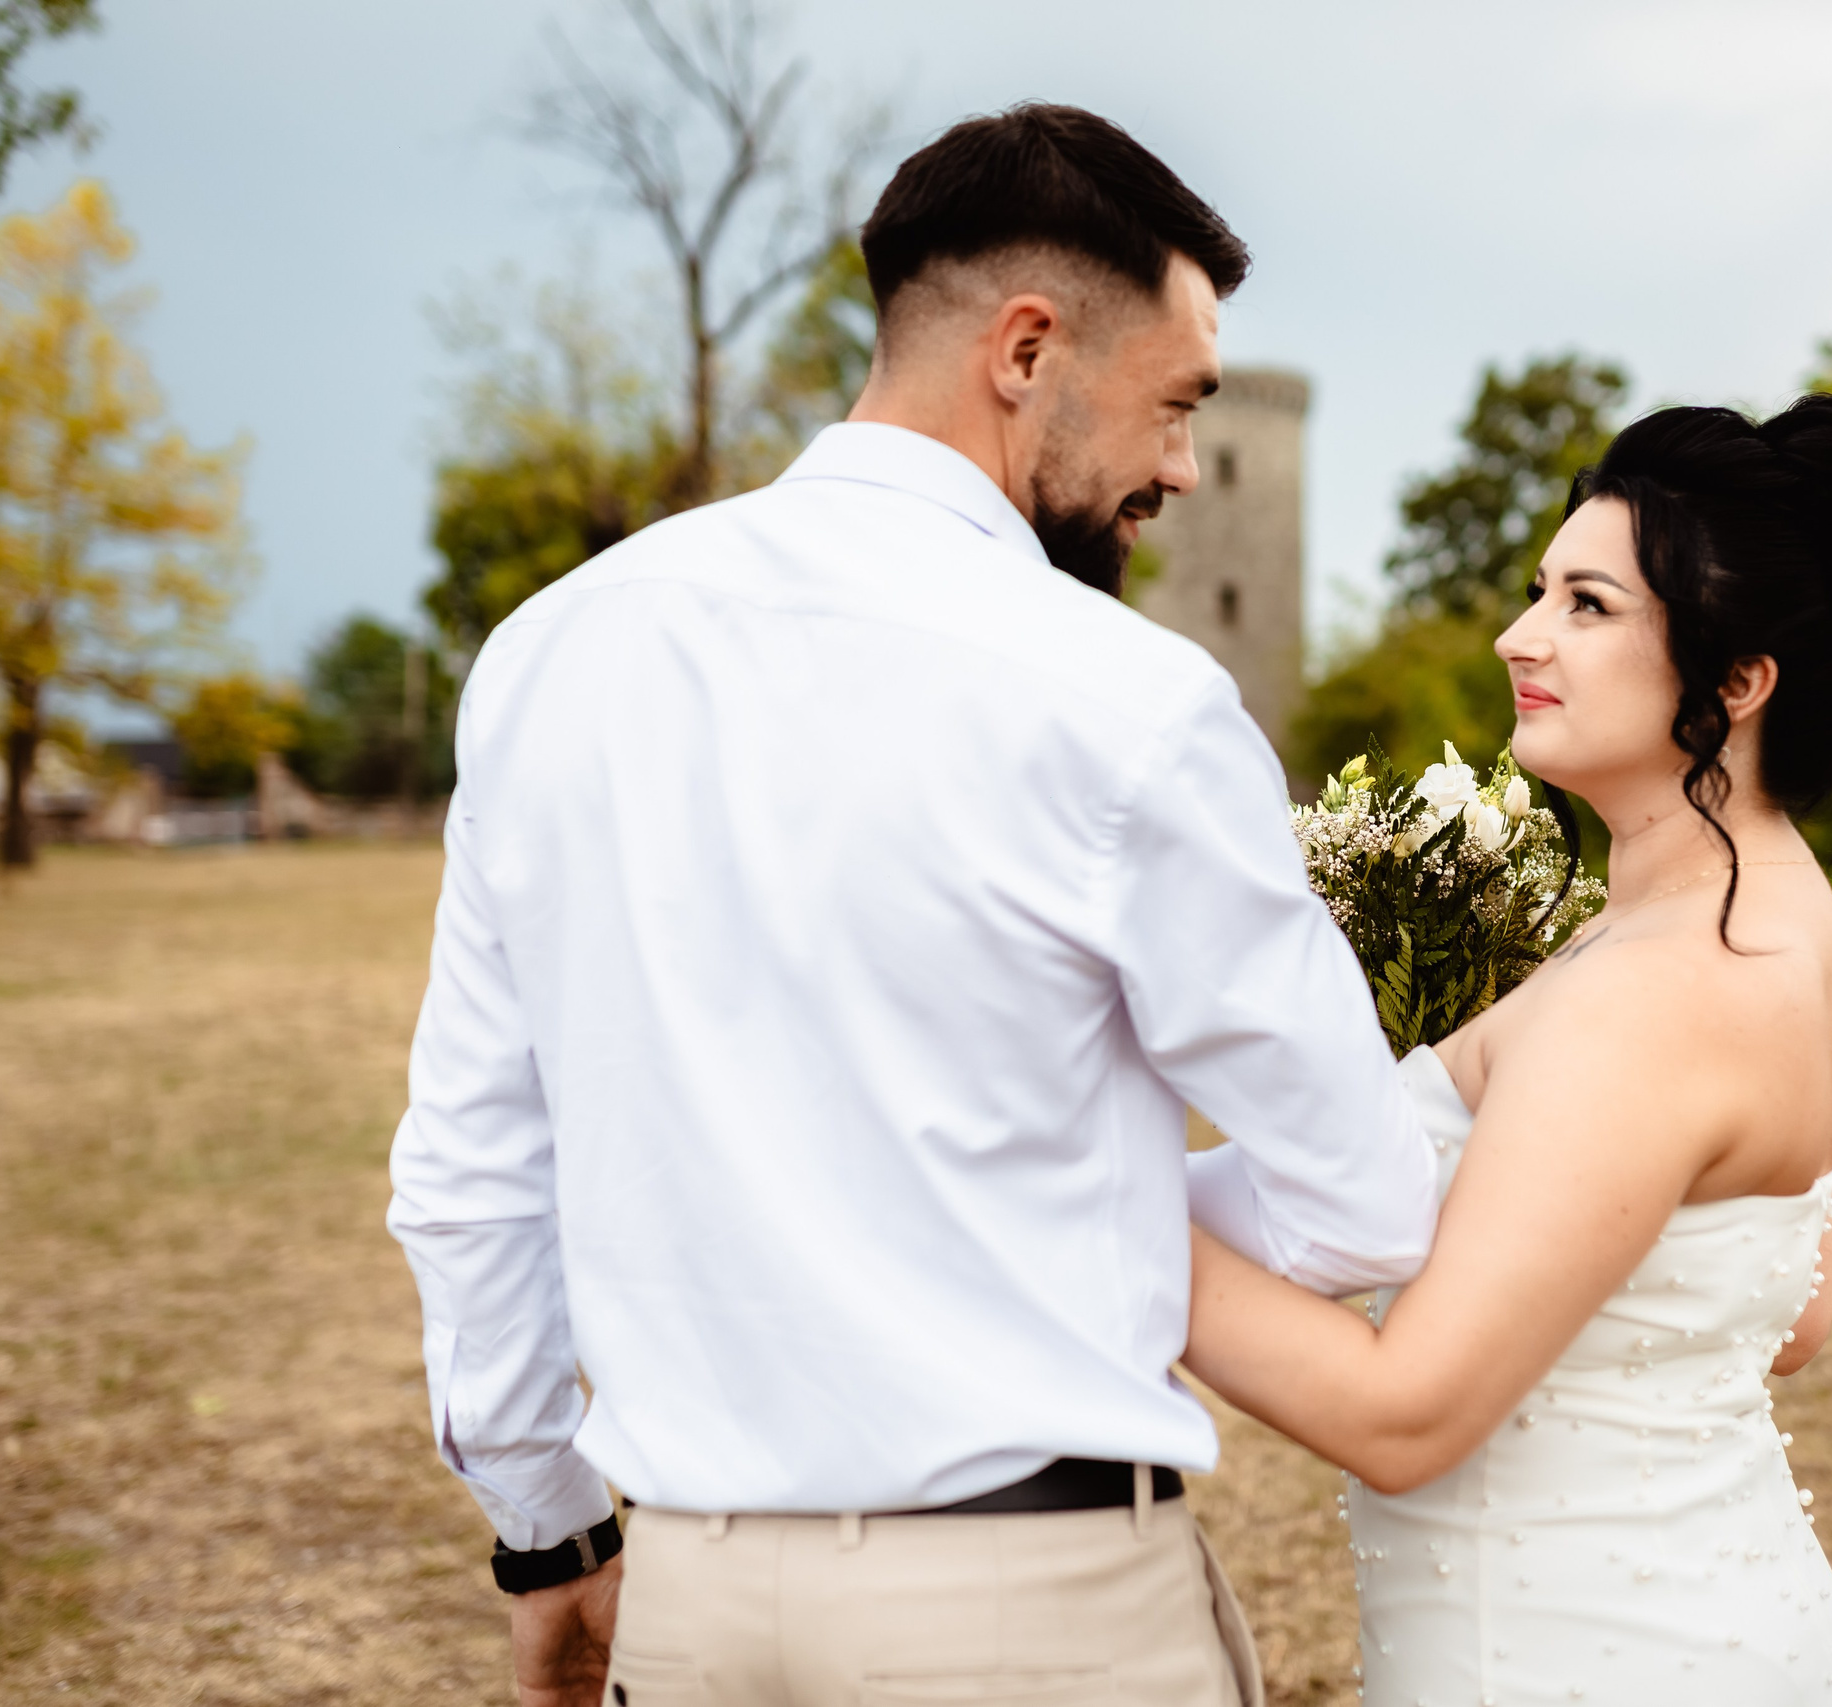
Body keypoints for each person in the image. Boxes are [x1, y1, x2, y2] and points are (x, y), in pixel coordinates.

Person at [386, 104, 1440, 1707]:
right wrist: (1052, 1228)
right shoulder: (1131, 701)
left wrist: (549, 1540)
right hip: (1033, 1621)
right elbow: (1359, 1198)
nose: (1181, 466)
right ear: (1026, 350)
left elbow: (471, 1178)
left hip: (689, 1612)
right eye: (1174, 403)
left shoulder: (551, 654)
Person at [1182, 395, 1832, 1707]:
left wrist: (1098, 1215)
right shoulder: (1784, 925)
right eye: (1541, 590)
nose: (1520, 635)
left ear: (1738, 683)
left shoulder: (1659, 988)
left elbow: (1404, 1416)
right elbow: (1795, 1314)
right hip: (1722, 1635)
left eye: (1588, 605)